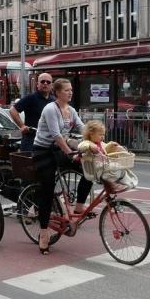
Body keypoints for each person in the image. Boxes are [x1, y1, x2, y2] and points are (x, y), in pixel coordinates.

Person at [32, 78, 92, 255]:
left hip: (59, 150)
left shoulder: (71, 110)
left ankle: (79, 206)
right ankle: (43, 233)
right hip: (43, 152)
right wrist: (69, 153)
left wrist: (98, 140)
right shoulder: (50, 109)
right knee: (47, 191)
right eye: (66, 90)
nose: (70, 92)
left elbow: (83, 129)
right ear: (57, 92)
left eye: (71, 90)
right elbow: (57, 135)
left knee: (89, 171)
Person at [10, 72, 55, 151]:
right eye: (42, 81)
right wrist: (22, 126)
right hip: (31, 140)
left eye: (48, 82)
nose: (45, 83)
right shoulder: (31, 98)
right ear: (37, 84)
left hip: (47, 142)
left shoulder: (53, 101)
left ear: (52, 85)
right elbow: (13, 110)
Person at [77, 120, 127, 189]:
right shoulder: (87, 142)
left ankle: (117, 182)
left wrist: (111, 144)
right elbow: (81, 146)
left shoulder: (100, 143)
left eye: (103, 134)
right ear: (91, 134)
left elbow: (105, 148)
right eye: (100, 134)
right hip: (93, 168)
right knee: (109, 171)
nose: (102, 137)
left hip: (101, 166)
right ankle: (112, 185)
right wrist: (89, 146)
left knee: (118, 167)